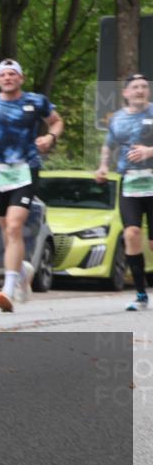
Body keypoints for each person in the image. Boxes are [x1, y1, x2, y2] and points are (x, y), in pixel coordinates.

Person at [0, 59, 64, 312]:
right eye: (3, 75)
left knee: (13, 226)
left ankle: (8, 289)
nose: (8, 78)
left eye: (13, 74)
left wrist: (49, 137)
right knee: (6, 232)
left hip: (26, 169)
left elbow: (56, 121)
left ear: (21, 78)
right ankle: (22, 270)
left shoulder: (36, 101)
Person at [95, 73, 153, 311]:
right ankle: (140, 295)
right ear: (125, 93)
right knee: (131, 234)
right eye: (135, 87)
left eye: (144, 87)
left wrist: (149, 152)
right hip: (129, 182)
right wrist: (103, 167)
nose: (140, 90)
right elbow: (108, 145)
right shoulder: (117, 119)